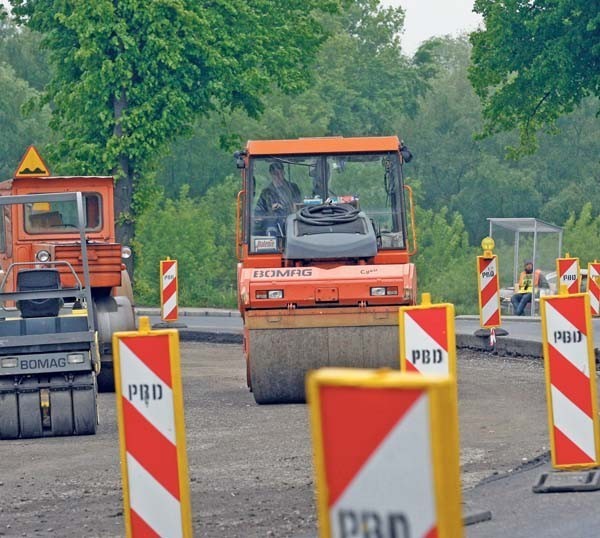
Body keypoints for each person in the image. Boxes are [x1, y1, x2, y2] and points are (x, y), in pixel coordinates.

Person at [255, 161, 301, 234]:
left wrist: (292, 208)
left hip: (292, 223)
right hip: (273, 225)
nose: (278, 176)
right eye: (276, 174)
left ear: (284, 173)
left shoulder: (293, 188)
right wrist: (271, 211)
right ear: (271, 175)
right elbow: (258, 215)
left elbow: (299, 206)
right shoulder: (266, 193)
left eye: (280, 173)